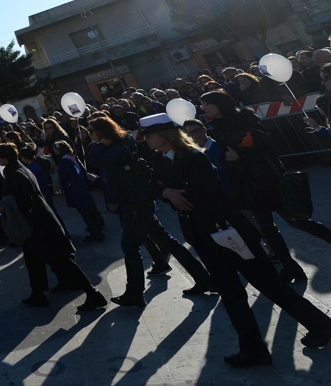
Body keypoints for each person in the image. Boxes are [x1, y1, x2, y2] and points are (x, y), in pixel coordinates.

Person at [143, 113, 330, 367]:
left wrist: (175, 192)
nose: (145, 140)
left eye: (149, 135)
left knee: (270, 285)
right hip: (203, 236)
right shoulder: (159, 159)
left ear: (164, 135)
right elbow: (151, 186)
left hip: (229, 232)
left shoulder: (194, 157)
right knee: (231, 295)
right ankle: (254, 350)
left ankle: (321, 325)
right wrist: (167, 191)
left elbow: (206, 193)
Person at [86, 115, 214, 307]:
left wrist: (99, 144)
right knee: (167, 242)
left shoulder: (115, 149)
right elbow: (114, 177)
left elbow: (94, 159)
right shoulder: (120, 145)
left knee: (130, 247)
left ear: (102, 132)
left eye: (92, 131)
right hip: (134, 200)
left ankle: (135, 292)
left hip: (136, 202)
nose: (90, 135)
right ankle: (203, 277)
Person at [200, 90, 307, 282]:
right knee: (266, 226)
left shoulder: (244, 117)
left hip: (266, 178)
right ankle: (290, 267)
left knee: (296, 220)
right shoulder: (216, 125)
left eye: (206, 103)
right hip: (247, 182)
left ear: (219, 103)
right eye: (202, 105)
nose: (204, 108)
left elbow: (266, 145)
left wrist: (241, 156)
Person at [0, 142, 107, 313]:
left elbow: (23, 201)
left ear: (4, 158)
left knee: (61, 260)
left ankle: (92, 293)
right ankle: (38, 293)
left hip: (39, 226)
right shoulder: (20, 169)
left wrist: (4, 205)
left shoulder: (15, 174)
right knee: (36, 260)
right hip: (40, 224)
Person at [52, 140, 105, 243]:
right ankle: (97, 228)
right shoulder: (71, 157)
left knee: (85, 213)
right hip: (81, 188)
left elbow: (67, 176)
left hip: (75, 190)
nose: (54, 151)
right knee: (89, 211)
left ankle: (96, 233)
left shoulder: (64, 161)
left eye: (55, 149)